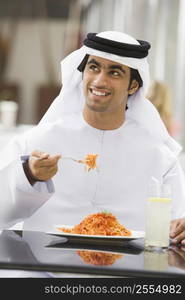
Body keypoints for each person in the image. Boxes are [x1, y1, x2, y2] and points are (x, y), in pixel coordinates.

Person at [0, 31, 185, 247]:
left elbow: (177, 226)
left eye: (114, 72)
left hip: (129, 274)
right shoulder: (37, 142)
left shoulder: (160, 157)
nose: (99, 80)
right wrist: (30, 175)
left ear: (133, 86)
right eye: (94, 67)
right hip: (44, 271)